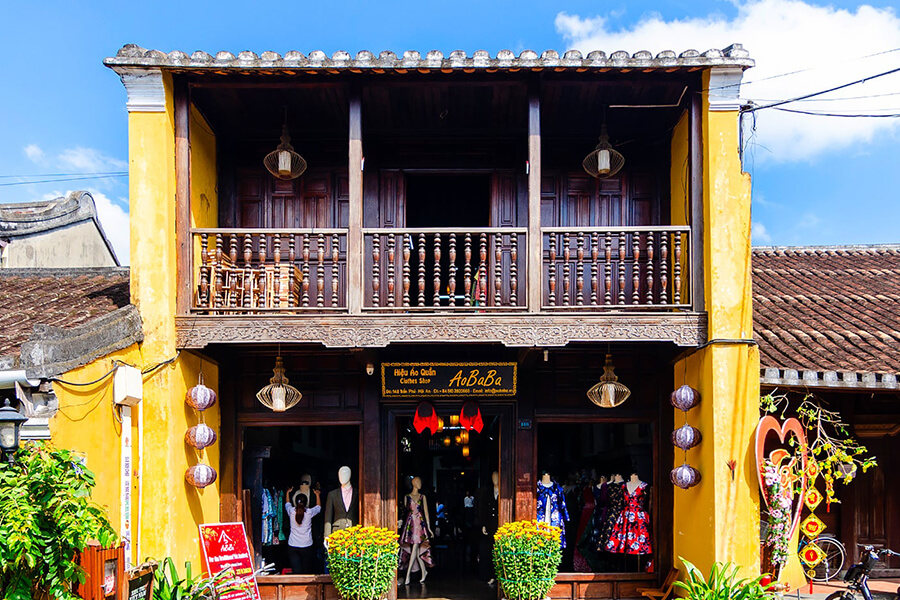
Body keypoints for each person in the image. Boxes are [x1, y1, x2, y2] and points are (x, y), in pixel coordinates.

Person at [286, 485, 322, 574]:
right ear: (306, 502)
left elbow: (287, 503)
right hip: (306, 545)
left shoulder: (291, 511)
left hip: (293, 545)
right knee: (306, 571)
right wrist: (317, 494)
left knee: (296, 571)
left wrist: (287, 493)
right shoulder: (309, 512)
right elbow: (318, 507)